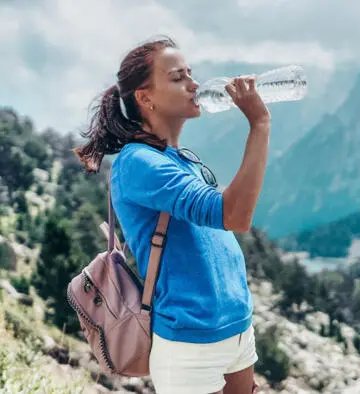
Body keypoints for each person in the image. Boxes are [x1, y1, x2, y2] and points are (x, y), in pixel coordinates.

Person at [73, 35, 270, 394]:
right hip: (190, 344)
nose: (194, 85)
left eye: (191, 74)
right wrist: (259, 125)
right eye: (178, 77)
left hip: (236, 329)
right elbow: (235, 215)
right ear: (145, 97)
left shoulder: (182, 159)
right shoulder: (138, 163)